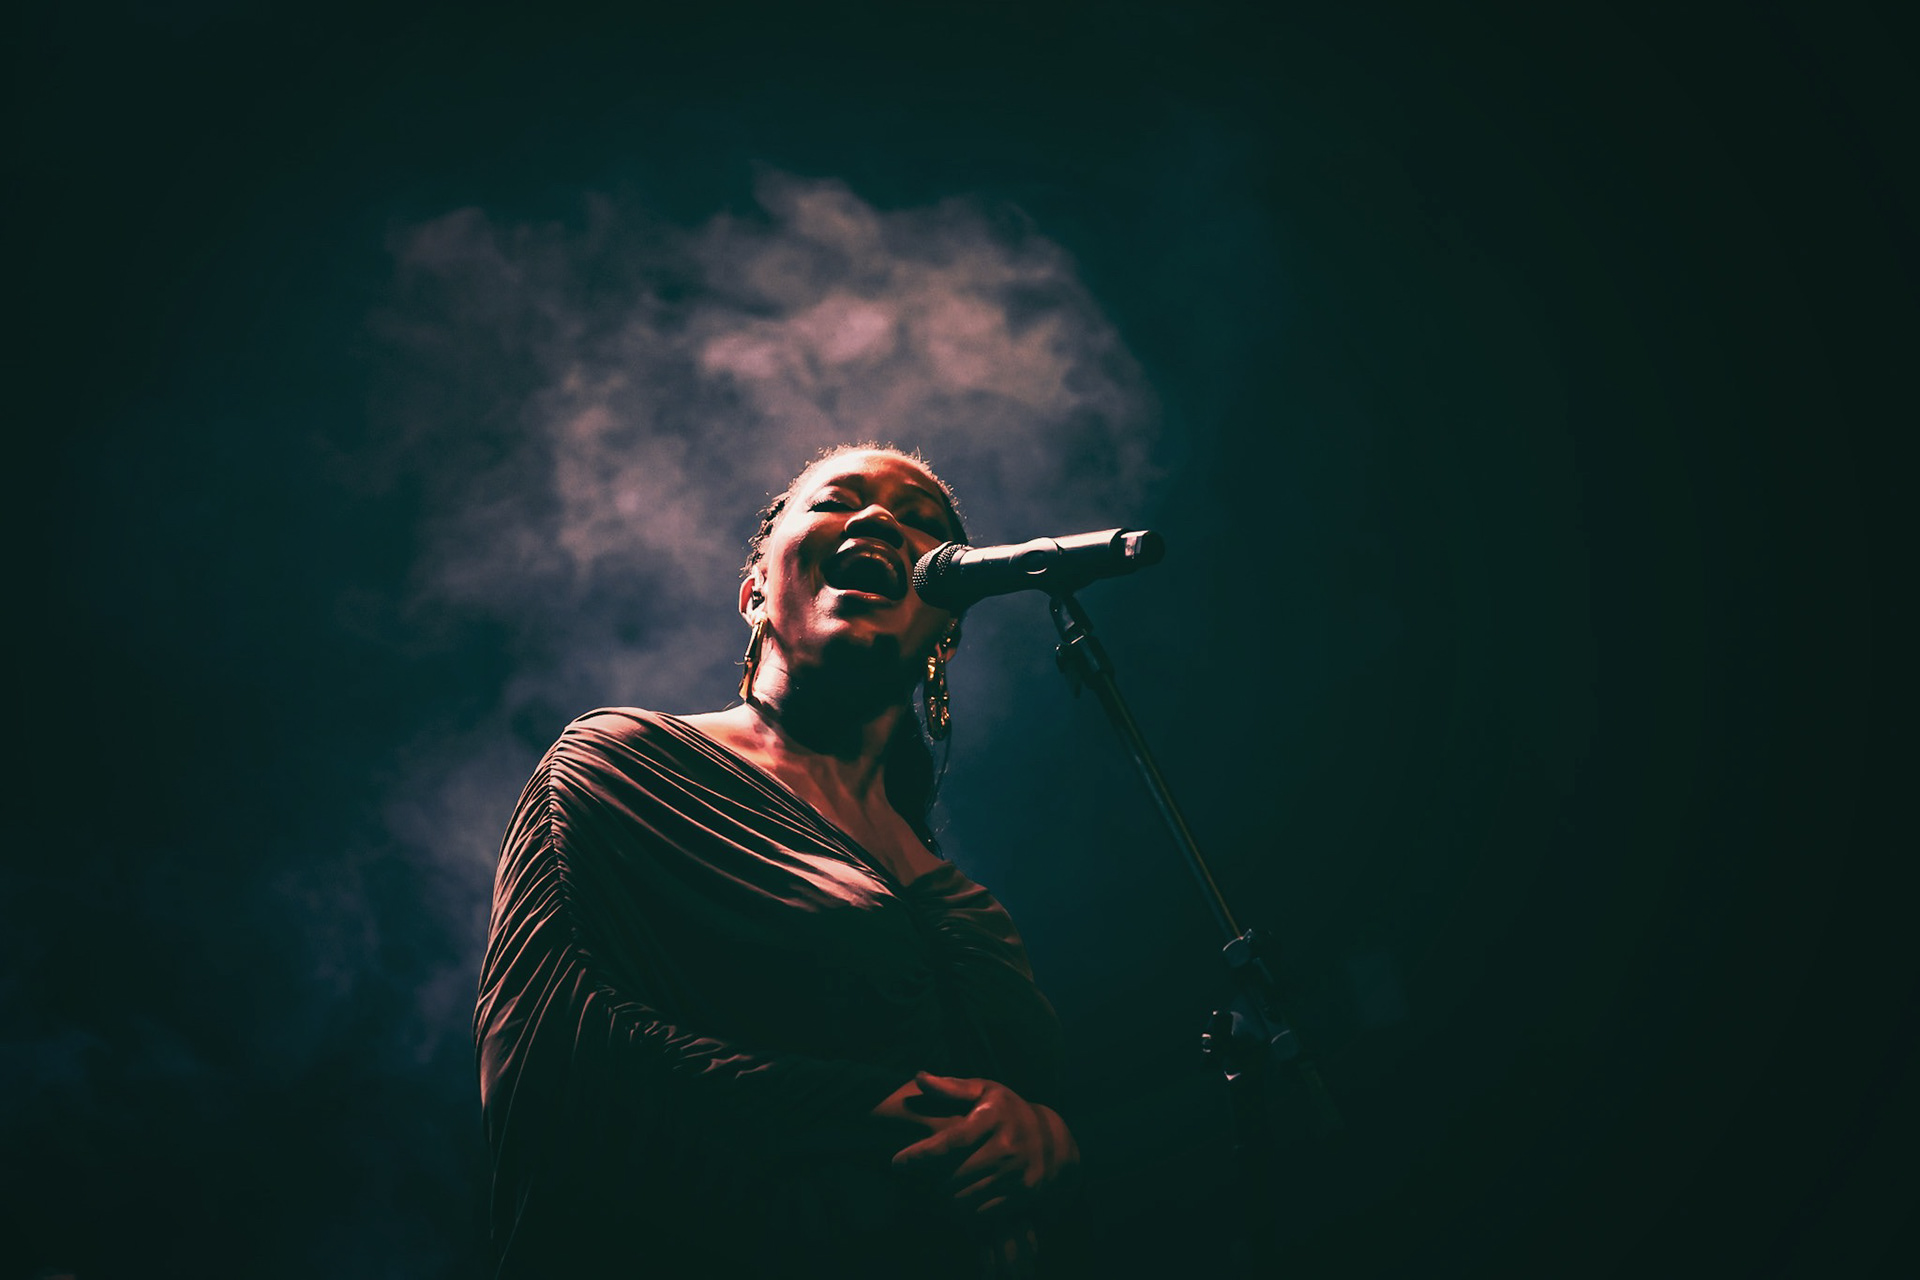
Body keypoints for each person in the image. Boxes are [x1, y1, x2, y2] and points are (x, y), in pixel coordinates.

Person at [474, 445, 1080, 1278]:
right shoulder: (627, 764)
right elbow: (559, 1057)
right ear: (755, 591)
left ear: (947, 625)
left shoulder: (974, 912)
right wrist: (876, 1110)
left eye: (921, 522)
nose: (879, 519)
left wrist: (1048, 1141)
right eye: (836, 501)